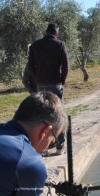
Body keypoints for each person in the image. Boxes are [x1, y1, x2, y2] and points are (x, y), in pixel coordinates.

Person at [28, 23, 69, 155]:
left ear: (46, 32)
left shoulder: (35, 45)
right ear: (57, 33)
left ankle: (43, 148)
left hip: (41, 84)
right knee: (59, 114)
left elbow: (30, 66)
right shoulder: (60, 44)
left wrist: (38, 77)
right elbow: (66, 66)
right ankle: (59, 146)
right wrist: (62, 80)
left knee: (43, 114)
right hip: (56, 84)